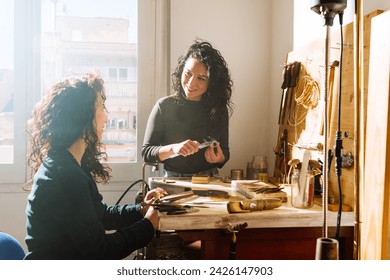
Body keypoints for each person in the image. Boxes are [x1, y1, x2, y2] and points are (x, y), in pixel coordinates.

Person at [24, 73, 166, 260]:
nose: (106, 118)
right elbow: (100, 252)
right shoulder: (66, 176)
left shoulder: (68, 163)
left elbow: (100, 215)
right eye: (101, 108)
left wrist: (141, 210)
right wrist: (147, 225)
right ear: (83, 119)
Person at [142, 39, 234, 177]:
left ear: (212, 82)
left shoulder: (218, 109)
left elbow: (224, 153)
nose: (191, 83)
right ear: (181, 71)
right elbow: (147, 153)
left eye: (201, 78)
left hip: (208, 181)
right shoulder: (164, 106)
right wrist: (174, 149)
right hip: (172, 182)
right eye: (188, 74)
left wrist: (219, 158)